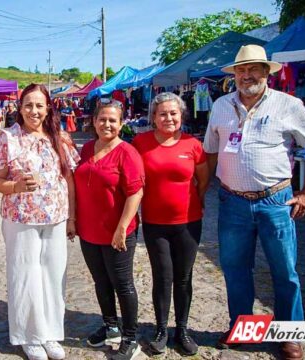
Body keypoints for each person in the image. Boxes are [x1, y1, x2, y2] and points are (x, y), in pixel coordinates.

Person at [203, 45, 305, 360]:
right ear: (235, 75)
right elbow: (210, 151)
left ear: (267, 72)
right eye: (241, 70)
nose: (247, 75)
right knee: (235, 269)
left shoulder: (288, 104)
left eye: (254, 69)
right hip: (232, 202)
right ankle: (245, 331)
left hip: (276, 202)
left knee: (284, 271)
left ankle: (290, 336)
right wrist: (204, 189)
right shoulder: (220, 105)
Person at [0, 83, 79, 360]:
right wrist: (15, 187)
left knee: (52, 275)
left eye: (39, 105)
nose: (34, 111)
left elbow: (68, 179)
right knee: (25, 276)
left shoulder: (59, 137)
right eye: (28, 105)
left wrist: (72, 217)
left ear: (48, 107)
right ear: (20, 107)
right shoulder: (8, 138)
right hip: (21, 218)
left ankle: (50, 333)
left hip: (56, 217)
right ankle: (29, 336)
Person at [132, 92, 209, 356]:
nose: (168, 118)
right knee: (162, 277)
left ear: (181, 115)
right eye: (162, 113)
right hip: (155, 224)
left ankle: (182, 329)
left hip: (188, 223)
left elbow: (203, 180)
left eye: (173, 113)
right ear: (153, 117)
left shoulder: (192, 145)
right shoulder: (140, 143)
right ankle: (161, 329)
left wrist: (193, 204)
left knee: (183, 277)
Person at [74, 100, 145, 360]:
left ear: (121, 123)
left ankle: (130, 337)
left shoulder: (127, 152)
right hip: (89, 230)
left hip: (118, 232)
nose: (107, 124)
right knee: (101, 281)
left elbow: (135, 192)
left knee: (123, 284)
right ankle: (110, 326)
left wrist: (122, 228)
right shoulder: (88, 148)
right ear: (93, 121)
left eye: (113, 120)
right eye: (102, 119)